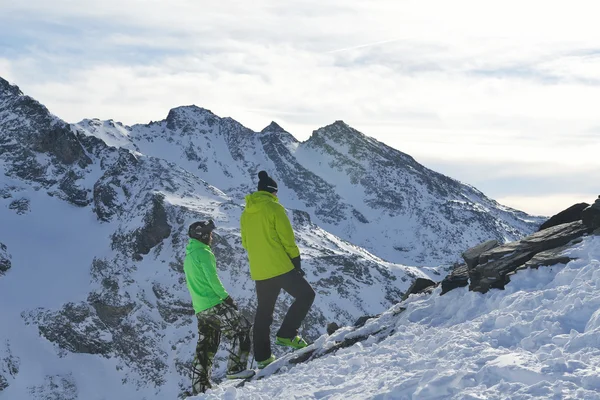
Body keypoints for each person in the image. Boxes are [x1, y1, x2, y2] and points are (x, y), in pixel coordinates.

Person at [240, 171, 316, 369]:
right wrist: (296, 263)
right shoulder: (275, 208)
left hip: (260, 271)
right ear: (272, 192)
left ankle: (263, 358)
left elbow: (246, 243)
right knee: (306, 295)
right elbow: (287, 240)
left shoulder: (246, 213)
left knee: (264, 312)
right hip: (280, 266)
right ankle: (287, 334)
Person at [183, 220, 254, 395]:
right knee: (242, 328)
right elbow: (212, 279)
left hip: (200, 309)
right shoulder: (204, 253)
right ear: (204, 235)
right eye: (210, 233)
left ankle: (199, 387)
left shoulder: (189, 256)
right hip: (214, 303)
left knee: (206, 347)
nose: (212, 237)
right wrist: (227, 298)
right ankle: (236, 369)